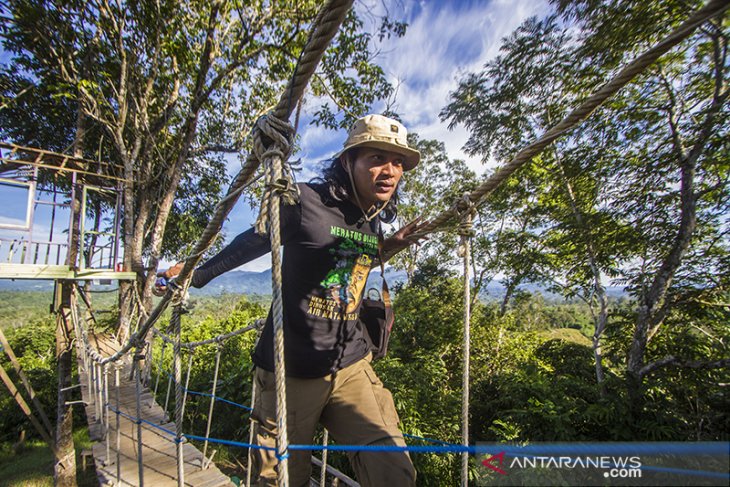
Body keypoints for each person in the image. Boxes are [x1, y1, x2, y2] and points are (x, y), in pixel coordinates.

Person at [158, 114, 426, 486]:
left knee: (393, 471)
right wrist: (195, 274)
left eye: (398, 162)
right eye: (377, 158)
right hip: (291, 372)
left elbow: (350, 260)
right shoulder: (305, 201)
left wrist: (389, 247)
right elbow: (253, 241)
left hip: (349, 364)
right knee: (279, 481)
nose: (390, 171)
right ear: (349, 161)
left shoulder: (371, 218)